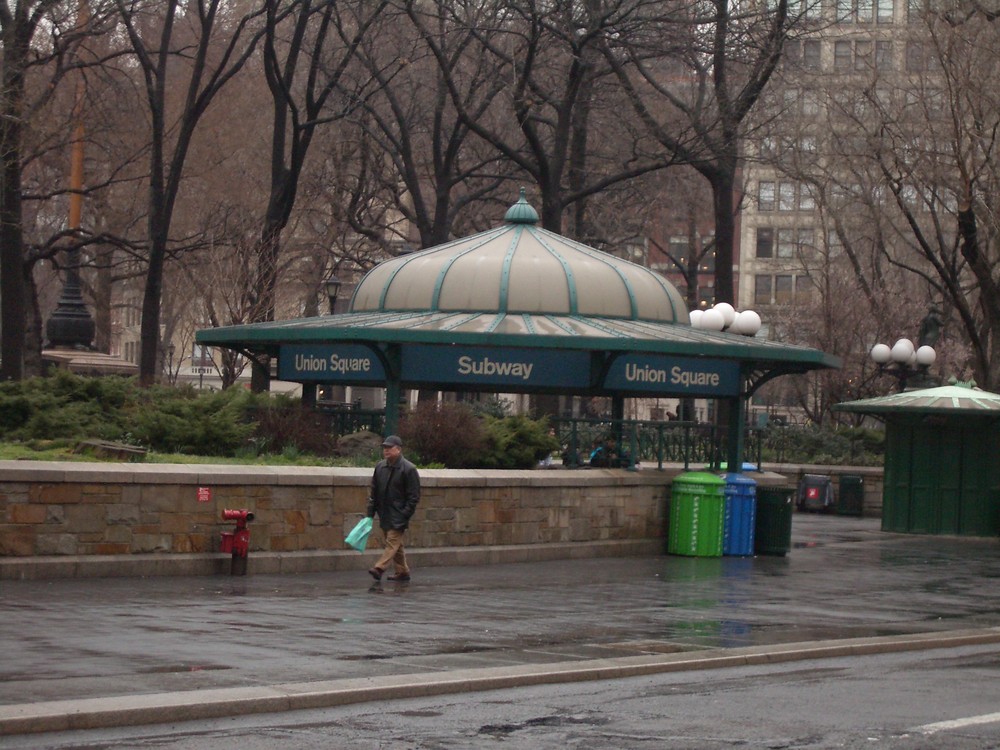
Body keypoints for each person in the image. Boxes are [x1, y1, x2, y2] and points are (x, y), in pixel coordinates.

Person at [366, 435, 421, 583]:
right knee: (396, 545)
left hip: (399, 514)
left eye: (389, 448)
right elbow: (374, 491)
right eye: (385, 448)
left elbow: (413, 496)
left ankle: (379, 568)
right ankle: (402, 572)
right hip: (384, 513)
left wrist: (405, 514)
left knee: (392, 543)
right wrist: (370, 512)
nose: (386, 450)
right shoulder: (380, 467)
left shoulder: (409, 469)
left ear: (398, 449)